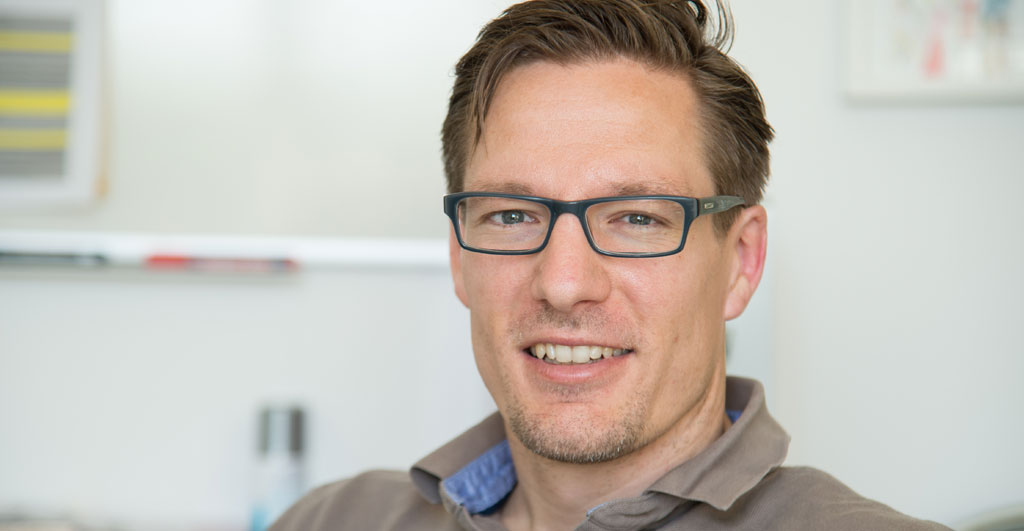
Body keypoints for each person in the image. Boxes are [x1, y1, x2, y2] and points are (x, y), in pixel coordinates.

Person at [272, 1, 950, 529]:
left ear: (741, 262)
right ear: (459, 255)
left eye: (637, 218)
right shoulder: (329, 520)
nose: (564, 283)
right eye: (511, 215)